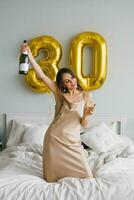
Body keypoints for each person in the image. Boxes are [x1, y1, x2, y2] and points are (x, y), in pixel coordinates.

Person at [21, 42, 96, 182]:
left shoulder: (86, 96)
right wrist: (29, 55)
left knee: (88, 177)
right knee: (51, 180)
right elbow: (42, 76)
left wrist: (86, 115)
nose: (72, 82)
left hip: (73, 142)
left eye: (72, 78)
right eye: (67, 81)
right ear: (63, 85)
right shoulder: (59, 94)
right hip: (54, 139)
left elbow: (84, 125)